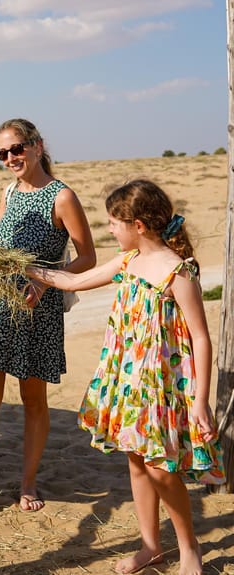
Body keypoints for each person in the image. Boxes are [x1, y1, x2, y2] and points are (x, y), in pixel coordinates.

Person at [27, 179, 223, 575]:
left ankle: (189, 550)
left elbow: (201, 338)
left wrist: (200, 400)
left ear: (139, 225)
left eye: (115, 223)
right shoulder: (127, 262)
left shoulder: (177, 272)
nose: (110, 230)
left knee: (160, 469)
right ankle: (151, 546)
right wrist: (20, 265)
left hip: (162, 385)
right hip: (128, 379)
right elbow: (71, 280)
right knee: (136, 462)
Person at [0, 118, 96, 521]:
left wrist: (48, 285)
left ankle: (28, 482)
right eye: (3, 153)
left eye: (17, 149)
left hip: (40, 310)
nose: (11, 158)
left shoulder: (62, 196)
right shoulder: (9, 191)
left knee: (33, 400)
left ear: (36, 146)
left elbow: (87, 258)